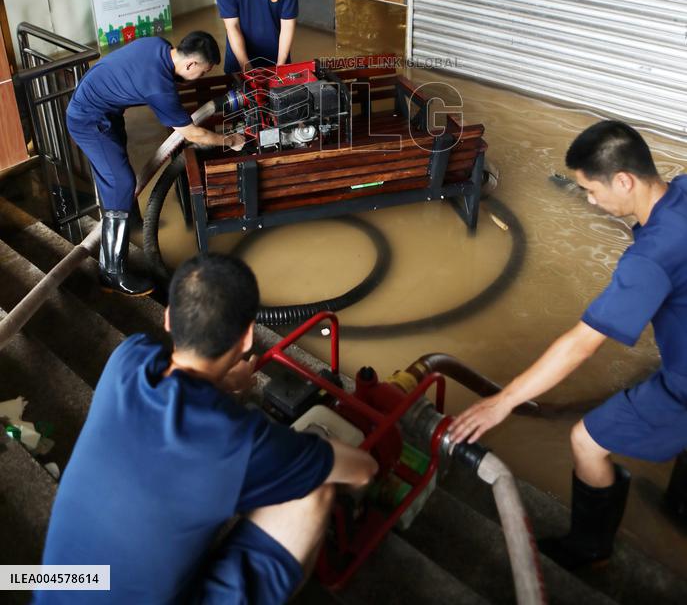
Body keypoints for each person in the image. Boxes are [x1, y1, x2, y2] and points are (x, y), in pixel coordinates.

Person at [36, 254, 378, 605]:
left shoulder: (127, 358)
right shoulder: (236, 441)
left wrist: (228, 382)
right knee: (315, 490)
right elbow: (363, 470)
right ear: (247, 339)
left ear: (168, 318)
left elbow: (182, 380)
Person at [447, 120, 687, 569]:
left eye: (591, 191)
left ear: (624, 180)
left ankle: (590, 549)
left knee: (587, 440)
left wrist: (505, 400)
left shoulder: (651, 257)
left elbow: (581, 344)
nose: (591, 202)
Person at [66, 32, 244, 297]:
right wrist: (229, 140)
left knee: (115, 176)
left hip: (104, 109)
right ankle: (111, 273)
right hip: (89, 121)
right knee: (121, 181)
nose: (202, 77)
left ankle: (128, 217)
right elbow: (193, 134)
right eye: (203, 72)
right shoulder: (159, 86)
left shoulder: (159, 45)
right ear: (190, 65)